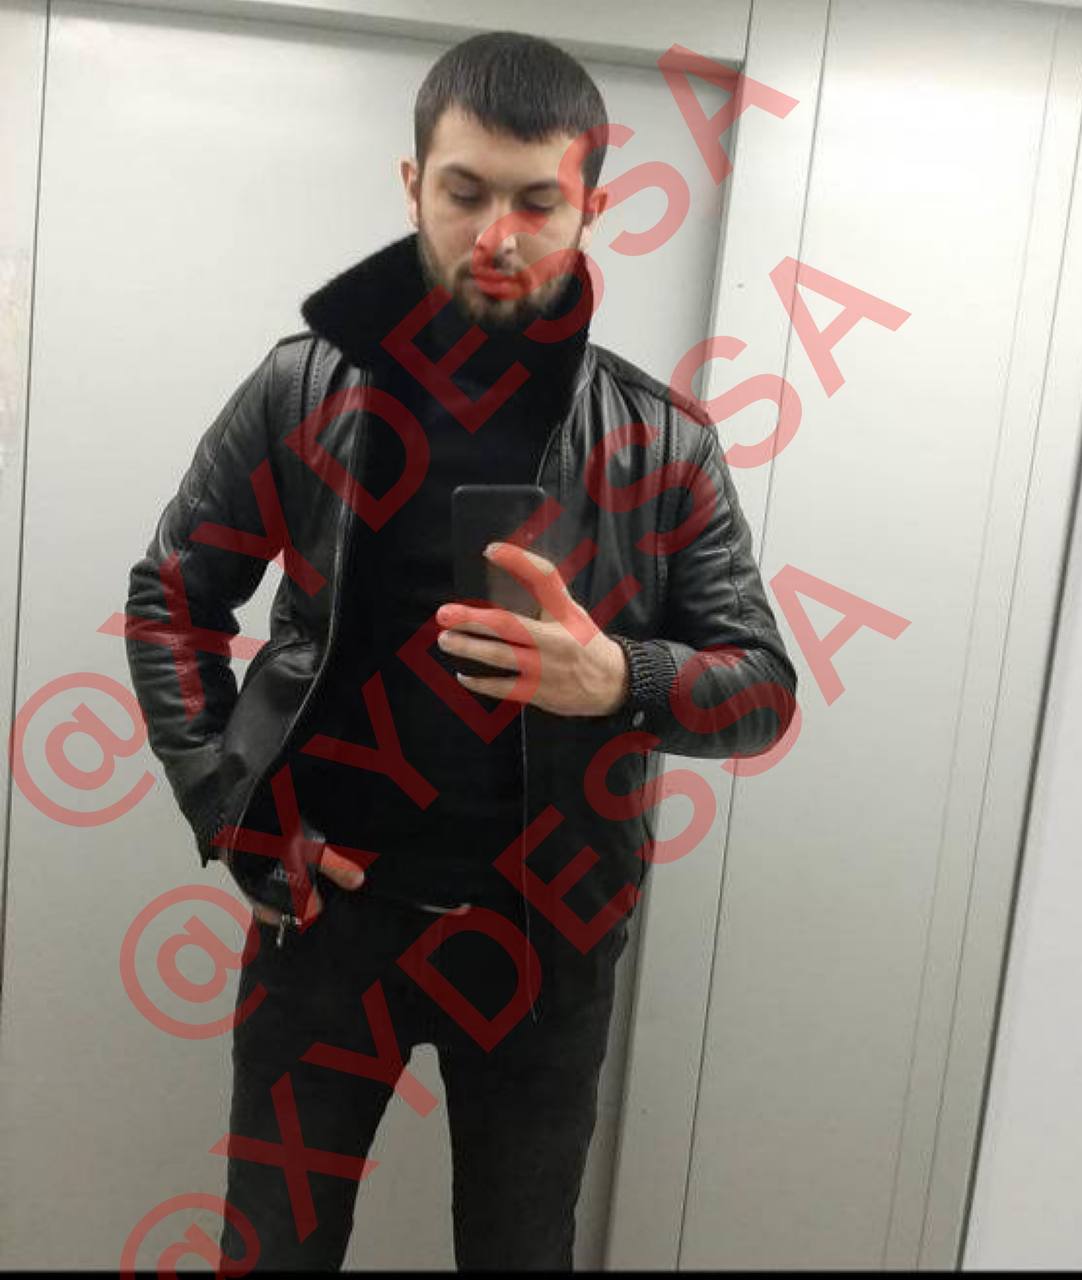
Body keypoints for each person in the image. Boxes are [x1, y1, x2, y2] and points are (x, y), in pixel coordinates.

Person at [123, 29, 798, 1272]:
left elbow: (760, 687)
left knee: (518, 1251)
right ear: (412, 188)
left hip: (542, 946)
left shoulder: (661, 441)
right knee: (271, 1250)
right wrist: (232, 808)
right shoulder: (302, 390)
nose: (498, 234)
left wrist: (621, 677)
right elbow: (172, 594)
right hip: (325, 923)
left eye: (537, 201)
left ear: (590, 207)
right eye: (465, 191)